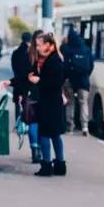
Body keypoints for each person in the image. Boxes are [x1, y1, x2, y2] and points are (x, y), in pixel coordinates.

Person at [30, 33, 66, 177]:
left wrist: (38, 80)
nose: (37, 48)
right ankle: (60, 165)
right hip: (53, 102)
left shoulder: (53, 61)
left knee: (44, 134)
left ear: (48, 45)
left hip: (49, 102)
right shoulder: (54, 58)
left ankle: (46, 165)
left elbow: (55, 82)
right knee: (55, 134)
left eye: (39, 45)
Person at [11, 30, 42, 163]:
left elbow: (19, 73)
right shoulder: (40, 56)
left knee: (32, 121)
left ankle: (35, 149)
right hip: (40, 92)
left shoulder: (19, 53)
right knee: (40, 123)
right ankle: (40, 150)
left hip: (26, 90)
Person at [61, 28, 94, 135]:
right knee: (83, 103)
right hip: (83, 81)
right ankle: (85, 127)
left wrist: (66, 77)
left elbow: (64, 65)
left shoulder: (67, 49)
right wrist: (85, 75)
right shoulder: (86, 49)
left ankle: (70, 127)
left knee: (70, 103)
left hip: (70, 80)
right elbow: (91, 65)